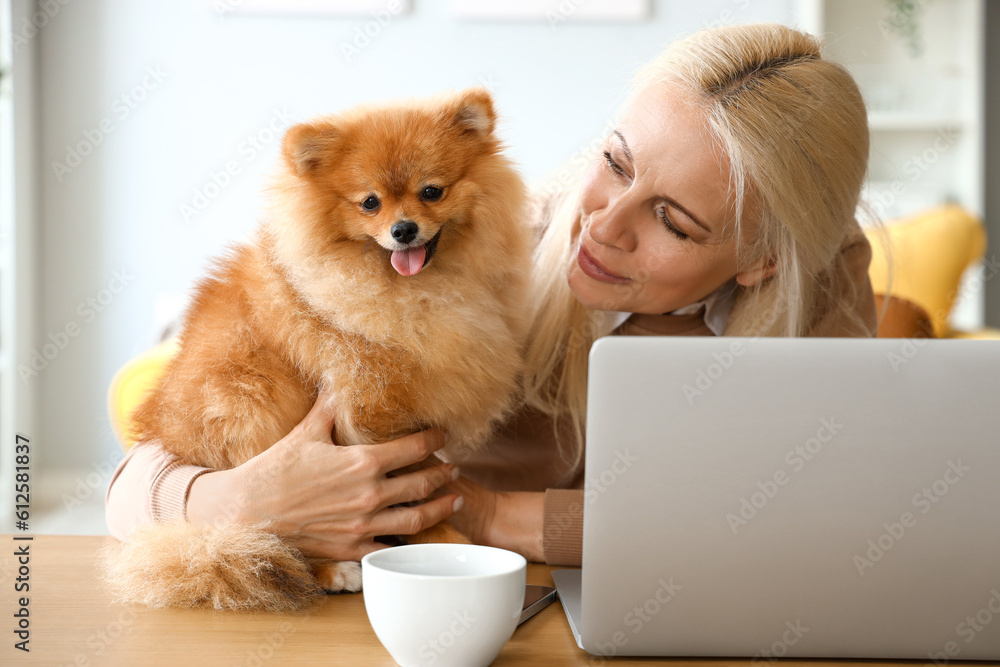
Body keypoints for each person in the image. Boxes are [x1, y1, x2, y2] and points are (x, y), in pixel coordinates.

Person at [105, 22, 885, 569]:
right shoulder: (480, 248)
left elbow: (808, 520)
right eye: (614, 162)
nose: (602, 224)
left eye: (672, 220)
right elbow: (132, 493)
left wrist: (486, 513)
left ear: (761, 263)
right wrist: (245, 503)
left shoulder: (819, 278)